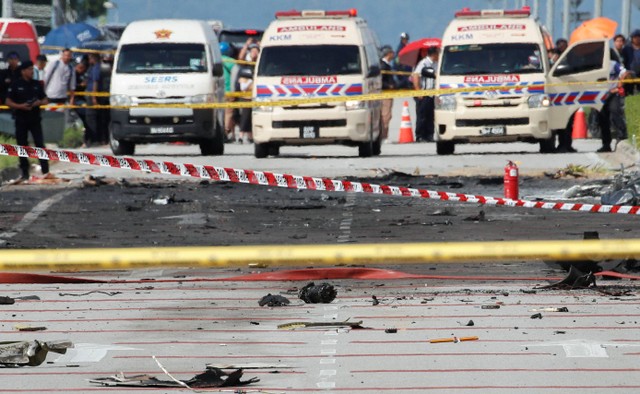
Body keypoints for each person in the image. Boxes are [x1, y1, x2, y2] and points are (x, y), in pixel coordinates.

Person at [5, 61, 50, 183]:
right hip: (21, 119)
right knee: (22, 145)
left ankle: (46, 171)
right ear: (23, 71)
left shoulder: (36, 84)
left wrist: (38, 103)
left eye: (32, 69)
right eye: (29, 69)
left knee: (39, 144)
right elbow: (8, 101)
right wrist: (20, 106)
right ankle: (25, 172)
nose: (31, 71)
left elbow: (45, 99)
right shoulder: (16, 84)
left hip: (35, 118)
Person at [597, 49, 631, 153]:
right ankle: (606, 144)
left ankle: (622, 137)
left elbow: (625, 73)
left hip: (613, 93)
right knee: (602, 118)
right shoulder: (596, 66)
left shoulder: (613, 64)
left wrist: (621, 82)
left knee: (615, 111)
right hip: (600, 96)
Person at [412, 46, 439, 142]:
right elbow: (415, 76)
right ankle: (420, 135)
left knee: (430, 115)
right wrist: (418, 90)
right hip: (424, 93)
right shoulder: (423, 63)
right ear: (434, 54)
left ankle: (429, 135)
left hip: (433, 94)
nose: (439, 55)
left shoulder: (436, 64)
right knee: (422, 115)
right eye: (437, 53)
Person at [236, 43, 259, 144]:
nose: (254, 53)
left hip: (255, 96)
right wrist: (247, 45)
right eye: (253, 51)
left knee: (252, 116)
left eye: (256, 51)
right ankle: (241, 136)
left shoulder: (259, 65)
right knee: (245, 116)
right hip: (245, 95)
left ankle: (250, 136)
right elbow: (243, 86)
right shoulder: (245, 65)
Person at [220, 41, 238, 142]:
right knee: (228, 113)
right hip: (228, 91)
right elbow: (235, 77)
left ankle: (219, 131)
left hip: (215, 91)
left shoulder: (213, 59)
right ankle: (225, 133)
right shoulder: (232, 62)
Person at [84, 53, 102, 146]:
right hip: (89, 94)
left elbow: (95, 82)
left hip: (92, 95)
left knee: (91, 118)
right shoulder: (92, 67)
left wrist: (94, 97)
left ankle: (94, 139)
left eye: (90, 57)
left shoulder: (96, 68)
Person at [379, 45, 395, 142]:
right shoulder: (383, 66)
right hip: (385, 94)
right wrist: (388, 86)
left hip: (388, 93)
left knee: (387, 115)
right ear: (389, 54)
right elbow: (380, 80)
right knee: (385, 115)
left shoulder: (387, 65)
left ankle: (384, 135)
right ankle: (383, 136)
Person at [622, 29, 640, 94]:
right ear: (632, 38)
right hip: (629, 74)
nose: (637, 39)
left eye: (639, 37)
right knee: (629, 92)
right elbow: (623, 61)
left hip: (639, 74)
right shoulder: (627, 48)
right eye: (635, 37)